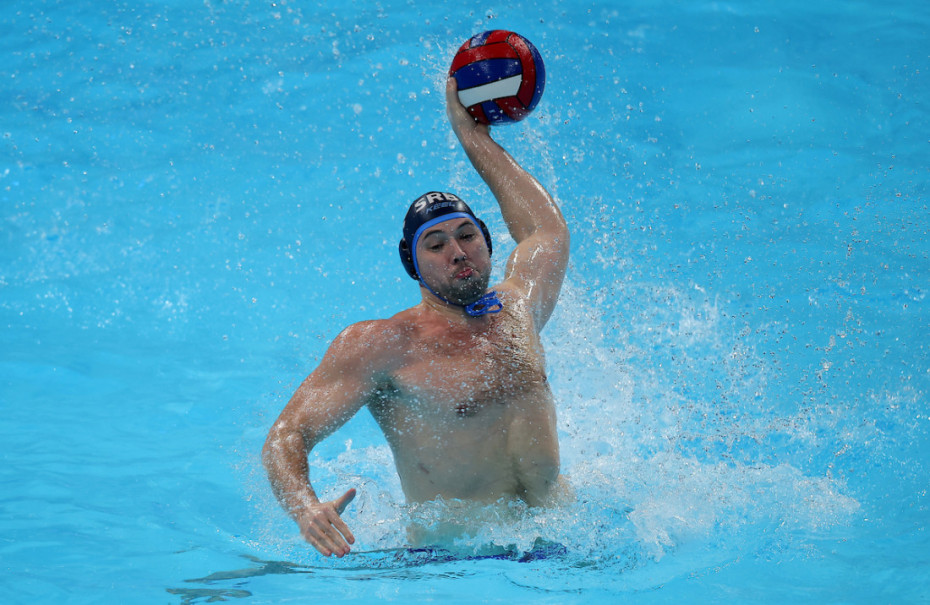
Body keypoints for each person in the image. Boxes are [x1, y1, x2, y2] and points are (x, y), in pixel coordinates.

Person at [262, 77, 570, 558]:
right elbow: (287, 435)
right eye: (436, 244)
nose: (457, 252)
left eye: (467, 235)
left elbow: (545, 230)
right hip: (452, 565)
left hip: (561, 542)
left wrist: (474, 138)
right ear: (413, 264)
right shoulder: (382, 344)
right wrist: (305, 508)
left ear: (487, 242)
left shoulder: (518, 307)